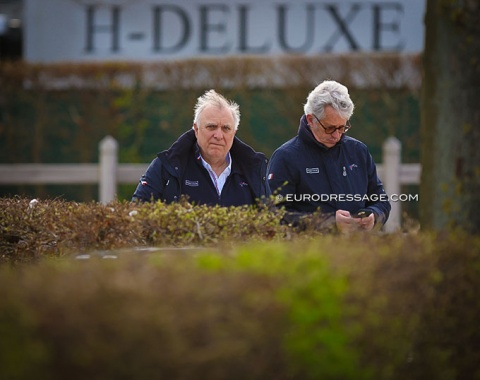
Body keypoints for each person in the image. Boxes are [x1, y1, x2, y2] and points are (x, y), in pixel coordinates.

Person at [266, 80, 391, 232]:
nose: (337, 135)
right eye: (330, 128)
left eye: (342, 127)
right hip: (310, 252)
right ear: (311, 120)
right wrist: (329, 223)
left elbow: (381, 200)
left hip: (358, 249)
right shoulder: (286, 157)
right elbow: (273, 214)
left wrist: (374, 216)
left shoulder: (358, 151)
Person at [132, 89, 269, 206]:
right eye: (211, 127)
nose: (218, 135)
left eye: (226, 128)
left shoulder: (254, 169)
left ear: (234, 133)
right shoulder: (167, 167)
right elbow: (137, 212)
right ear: (196, 130)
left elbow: (270, 222)